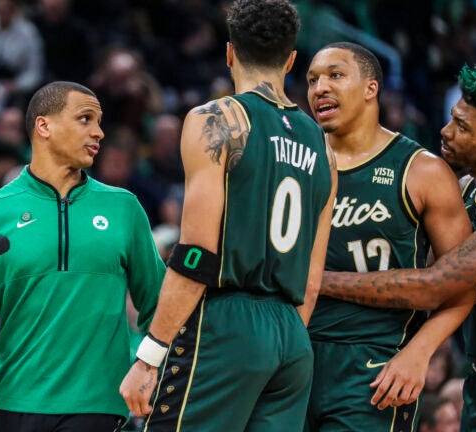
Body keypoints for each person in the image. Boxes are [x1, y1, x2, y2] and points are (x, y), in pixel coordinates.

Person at [120, 1, 336, 431]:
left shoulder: (217, 119)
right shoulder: (323, 146)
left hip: (229, 325)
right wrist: (280, 342)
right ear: (292, 60)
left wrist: (150, 355)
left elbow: (197, 252)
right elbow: (313, 277)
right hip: (291, 339)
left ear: (229, 53)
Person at [319, 64, 476, 431]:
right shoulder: (466, 189)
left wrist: (319, 281)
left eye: (463, 127)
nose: (446, 131)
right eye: (453, 118)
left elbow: (432, 285)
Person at [0, 81, 166, 432]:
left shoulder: (124, 208)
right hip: (16, 407)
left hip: (100, 408)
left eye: (99, 121)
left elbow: (161, 307)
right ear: (44, 126)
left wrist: (152, 369)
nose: (99, 132)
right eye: (85, 119)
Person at [304, 42, 474, 432]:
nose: (319, 88)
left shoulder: (421, 170)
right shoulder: (296, 163)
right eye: (312, 80)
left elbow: (464, 285)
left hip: (375, 365)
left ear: (371, 88)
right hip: (292, 357)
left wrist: (420, 352)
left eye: (335, 75)